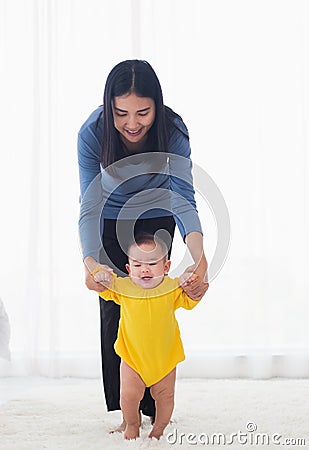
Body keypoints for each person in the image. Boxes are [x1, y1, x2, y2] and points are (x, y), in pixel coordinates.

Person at [78, 59, 209, 431]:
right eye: (121, 113)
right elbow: (89, 204)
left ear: (157, 105)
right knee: (115, 313)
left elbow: (184, 195)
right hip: (111, 221)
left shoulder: (172, 130)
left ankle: (157, 406)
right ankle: (127, 411)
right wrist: (91, 263)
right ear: (109, 107)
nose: (132, 123)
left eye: (143, 112)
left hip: (157, 215)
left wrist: (199, 259)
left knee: (157, 307)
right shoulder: (92, 132)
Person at [96, 233, 202, 440]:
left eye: (152, 263)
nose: (144, 269)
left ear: (166, 267)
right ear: (128, 269)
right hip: (132, 357)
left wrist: (191, 281)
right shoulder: (124, 287)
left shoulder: (172, 287)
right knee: (127, 396)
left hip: (164, 359)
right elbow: (102, 286)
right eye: (137, 265)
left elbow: (191, 299)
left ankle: (158, 430)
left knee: (165, 398)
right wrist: (99, 274)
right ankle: (132, 425)